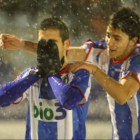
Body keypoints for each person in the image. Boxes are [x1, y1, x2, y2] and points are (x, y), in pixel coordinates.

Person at [1, 7, 140, 140]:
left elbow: (122, 95)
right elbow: (58, 50)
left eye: (117, 38)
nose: (110, 42)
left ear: (133, 41)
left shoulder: (137, 60)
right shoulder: (101, 51)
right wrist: (22, 44)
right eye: (108, 35)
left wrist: (95, 70)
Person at [0, 17, 91, 140]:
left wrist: (51, 73)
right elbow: (2, 98)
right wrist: (37, 74)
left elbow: (69, 100)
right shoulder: (31, 74)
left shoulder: (79, 73)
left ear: (66, 44)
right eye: (43, 43)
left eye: (52, 43)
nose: (47, 49)